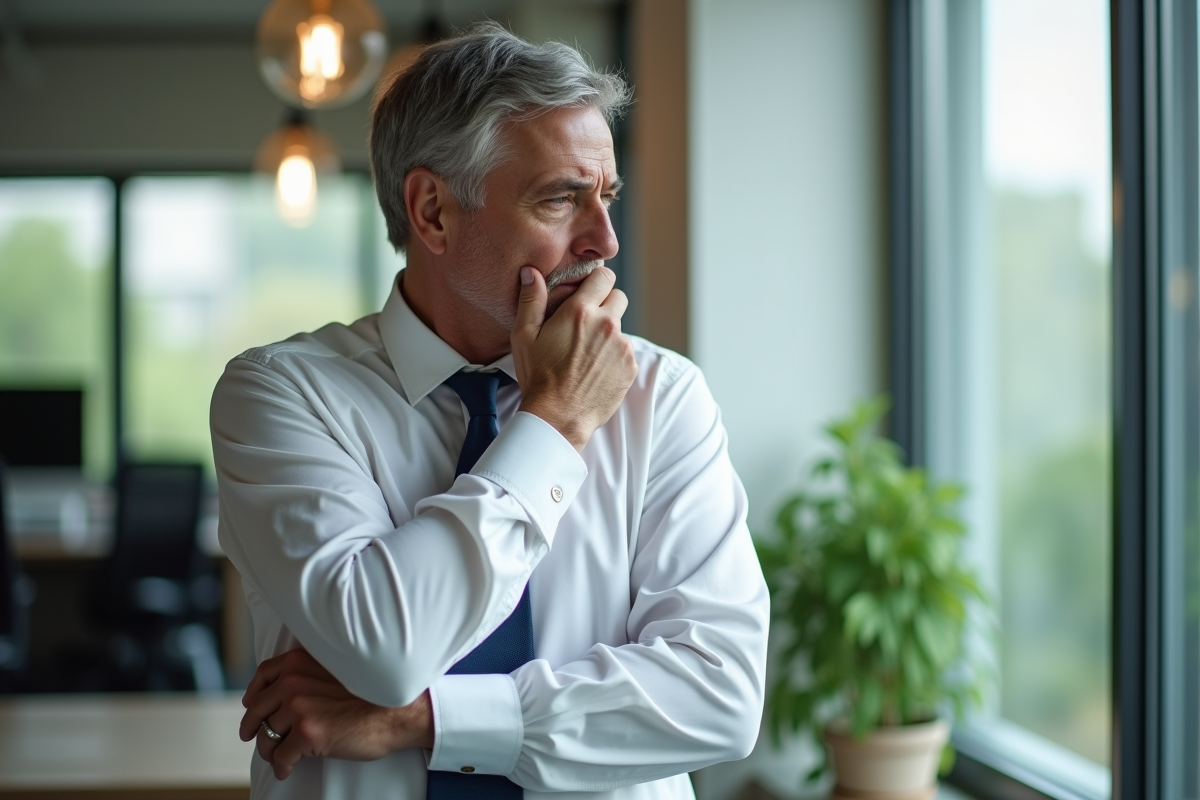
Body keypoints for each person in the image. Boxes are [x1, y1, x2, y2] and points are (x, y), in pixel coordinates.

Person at [211, 22, 768, 800]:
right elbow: (387, 648)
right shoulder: (281, 394)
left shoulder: (662, 398)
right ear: (433, 211)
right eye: (560, 200)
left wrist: (425, 720)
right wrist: (557, 425)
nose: (605, 240)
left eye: (606, 197)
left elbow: (722, 699)